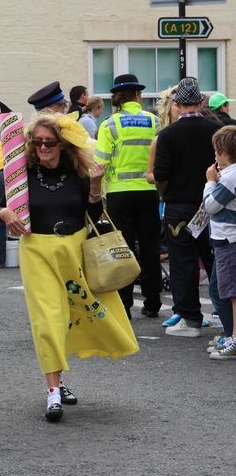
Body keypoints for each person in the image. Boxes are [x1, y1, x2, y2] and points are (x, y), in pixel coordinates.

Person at [0, 111, 138, 422]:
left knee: (75, 315)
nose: (43, 146)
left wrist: (96, 184)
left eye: (50, 142)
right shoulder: (21, 175)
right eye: (38, 141)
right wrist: (6, 214)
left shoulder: (78, 173)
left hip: (73, 250)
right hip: (37, 251)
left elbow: (93, 210)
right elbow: (0, 202)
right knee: (49, 319)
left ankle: (59, 380)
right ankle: (52, 391)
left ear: (63, 144)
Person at [153, 77, 221, 337]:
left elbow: (160, 173)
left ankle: (190, 318)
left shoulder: (168, 135)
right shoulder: (214, 130)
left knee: (183, 261)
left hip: (179, 205)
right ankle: (227, 314)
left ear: (178, 104)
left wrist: (165, 193)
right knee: (215, 259)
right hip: (210, 203)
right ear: (201, 102)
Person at [94, 74, 162, 319]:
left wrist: (99, 196)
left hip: (119, 195)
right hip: (148, 192)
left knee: (122, 249)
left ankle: (124, 304)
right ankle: (153, 303)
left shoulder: (109, 125)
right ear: (138, 95)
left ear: (117, 97)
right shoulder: (155, 122)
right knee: (150, 248)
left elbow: (100, 163)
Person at [204, 125, 236, 359]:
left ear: (225, 152)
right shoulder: (229, 174)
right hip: (225, 239)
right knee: (220, 289)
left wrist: (209, 183)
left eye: (217, 151)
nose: (215, 155)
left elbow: (211, 206)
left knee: (231, 292)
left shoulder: (231, 176)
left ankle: (233, 338)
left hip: (229, 239)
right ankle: (231, 335)